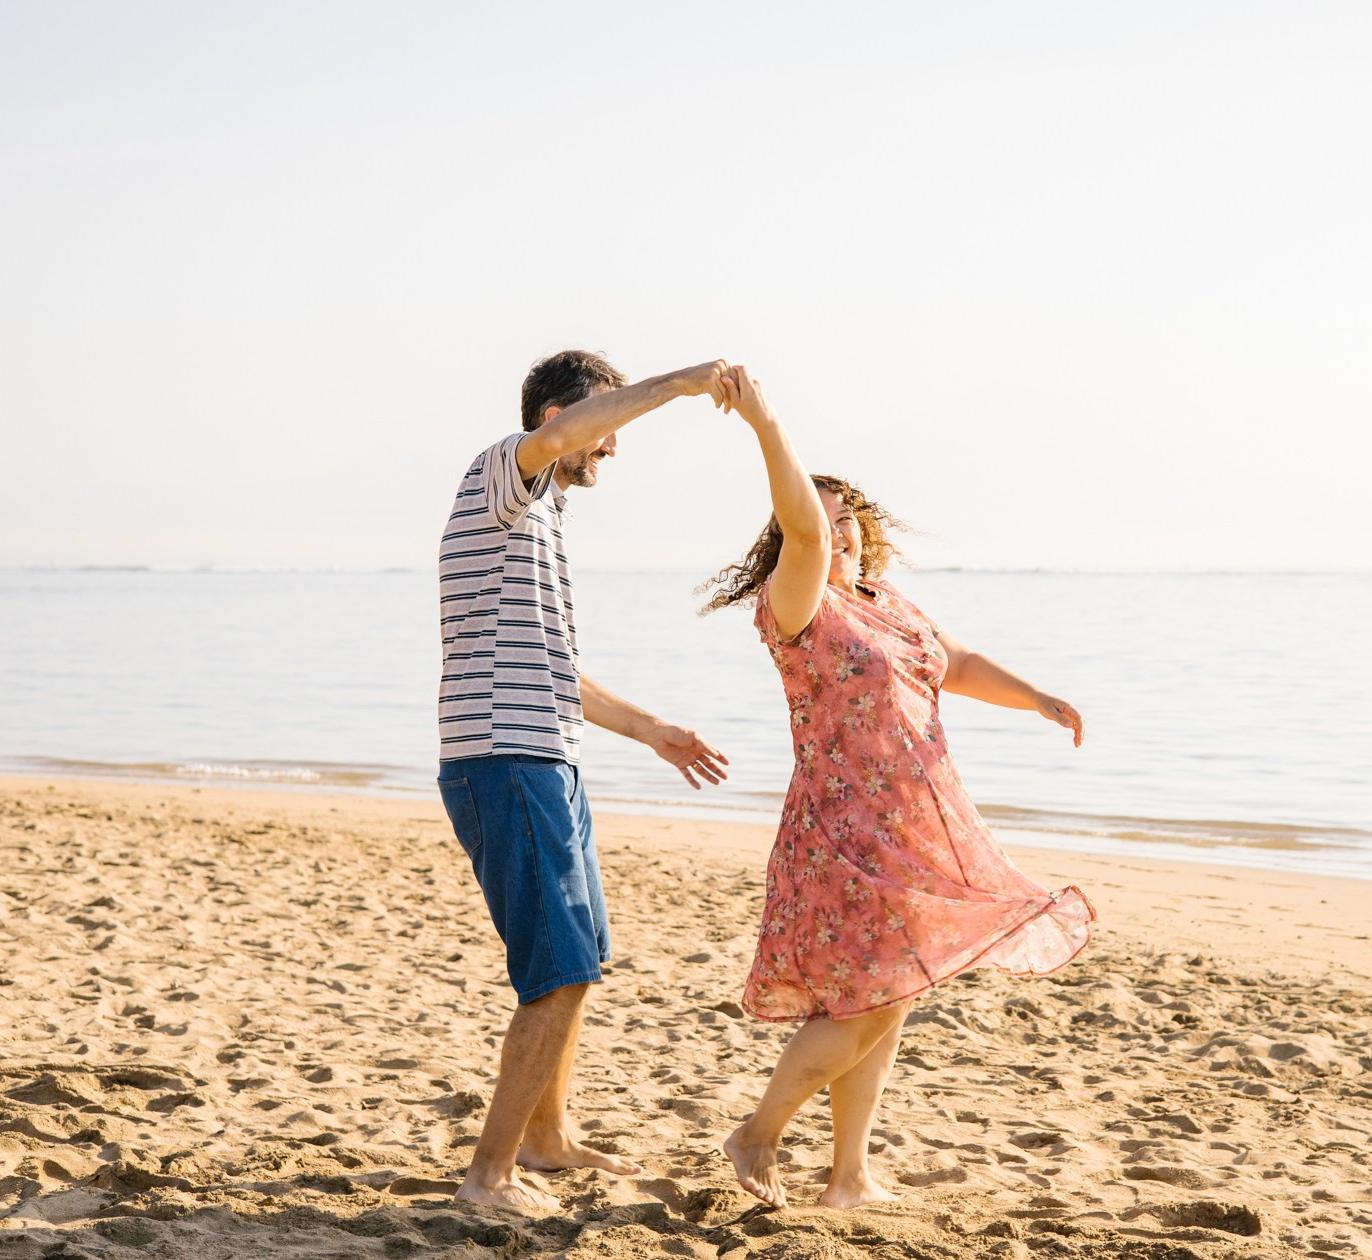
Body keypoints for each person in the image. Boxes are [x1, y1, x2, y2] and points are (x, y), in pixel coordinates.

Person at [701, 366, 1096, 1210]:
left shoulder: (889, 603)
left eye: (850, 526)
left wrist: (1036, 697)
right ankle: (758, 1133)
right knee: (859, 1002)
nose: (838, 537)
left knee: (890, 998)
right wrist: (766, 422)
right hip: (843, 832)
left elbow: (954, 663)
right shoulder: (798, 602)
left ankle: (848, 1175)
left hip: (913, 827)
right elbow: (803, 531)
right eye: (823, 523)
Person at [435, 349, 735, 1214]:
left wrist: (651, 730)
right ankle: (488, 1177)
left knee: (583, 959)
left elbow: (558, 671)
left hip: (545, 757)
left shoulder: (542, 518)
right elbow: (571, 432)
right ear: (555, 419)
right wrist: (678, 386)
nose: (611, 448)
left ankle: (548, 1138)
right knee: (557, 970)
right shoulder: (502, 473)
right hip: (507, 760)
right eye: (601, 427)